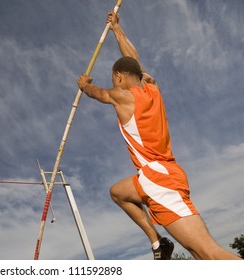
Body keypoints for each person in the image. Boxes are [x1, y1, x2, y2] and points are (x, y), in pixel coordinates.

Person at [77, 11, 242, 260]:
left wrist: (84, 85)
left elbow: (100, 94)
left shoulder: (124, 96)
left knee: (208, 254)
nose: (115, 83)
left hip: (159, 180)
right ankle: (158, 244)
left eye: (115, 78)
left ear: (119, 77)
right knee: (117, 192)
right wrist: (117, 29)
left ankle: (160, 244)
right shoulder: (151, 88)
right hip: (157, 175)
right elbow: (132, 58)